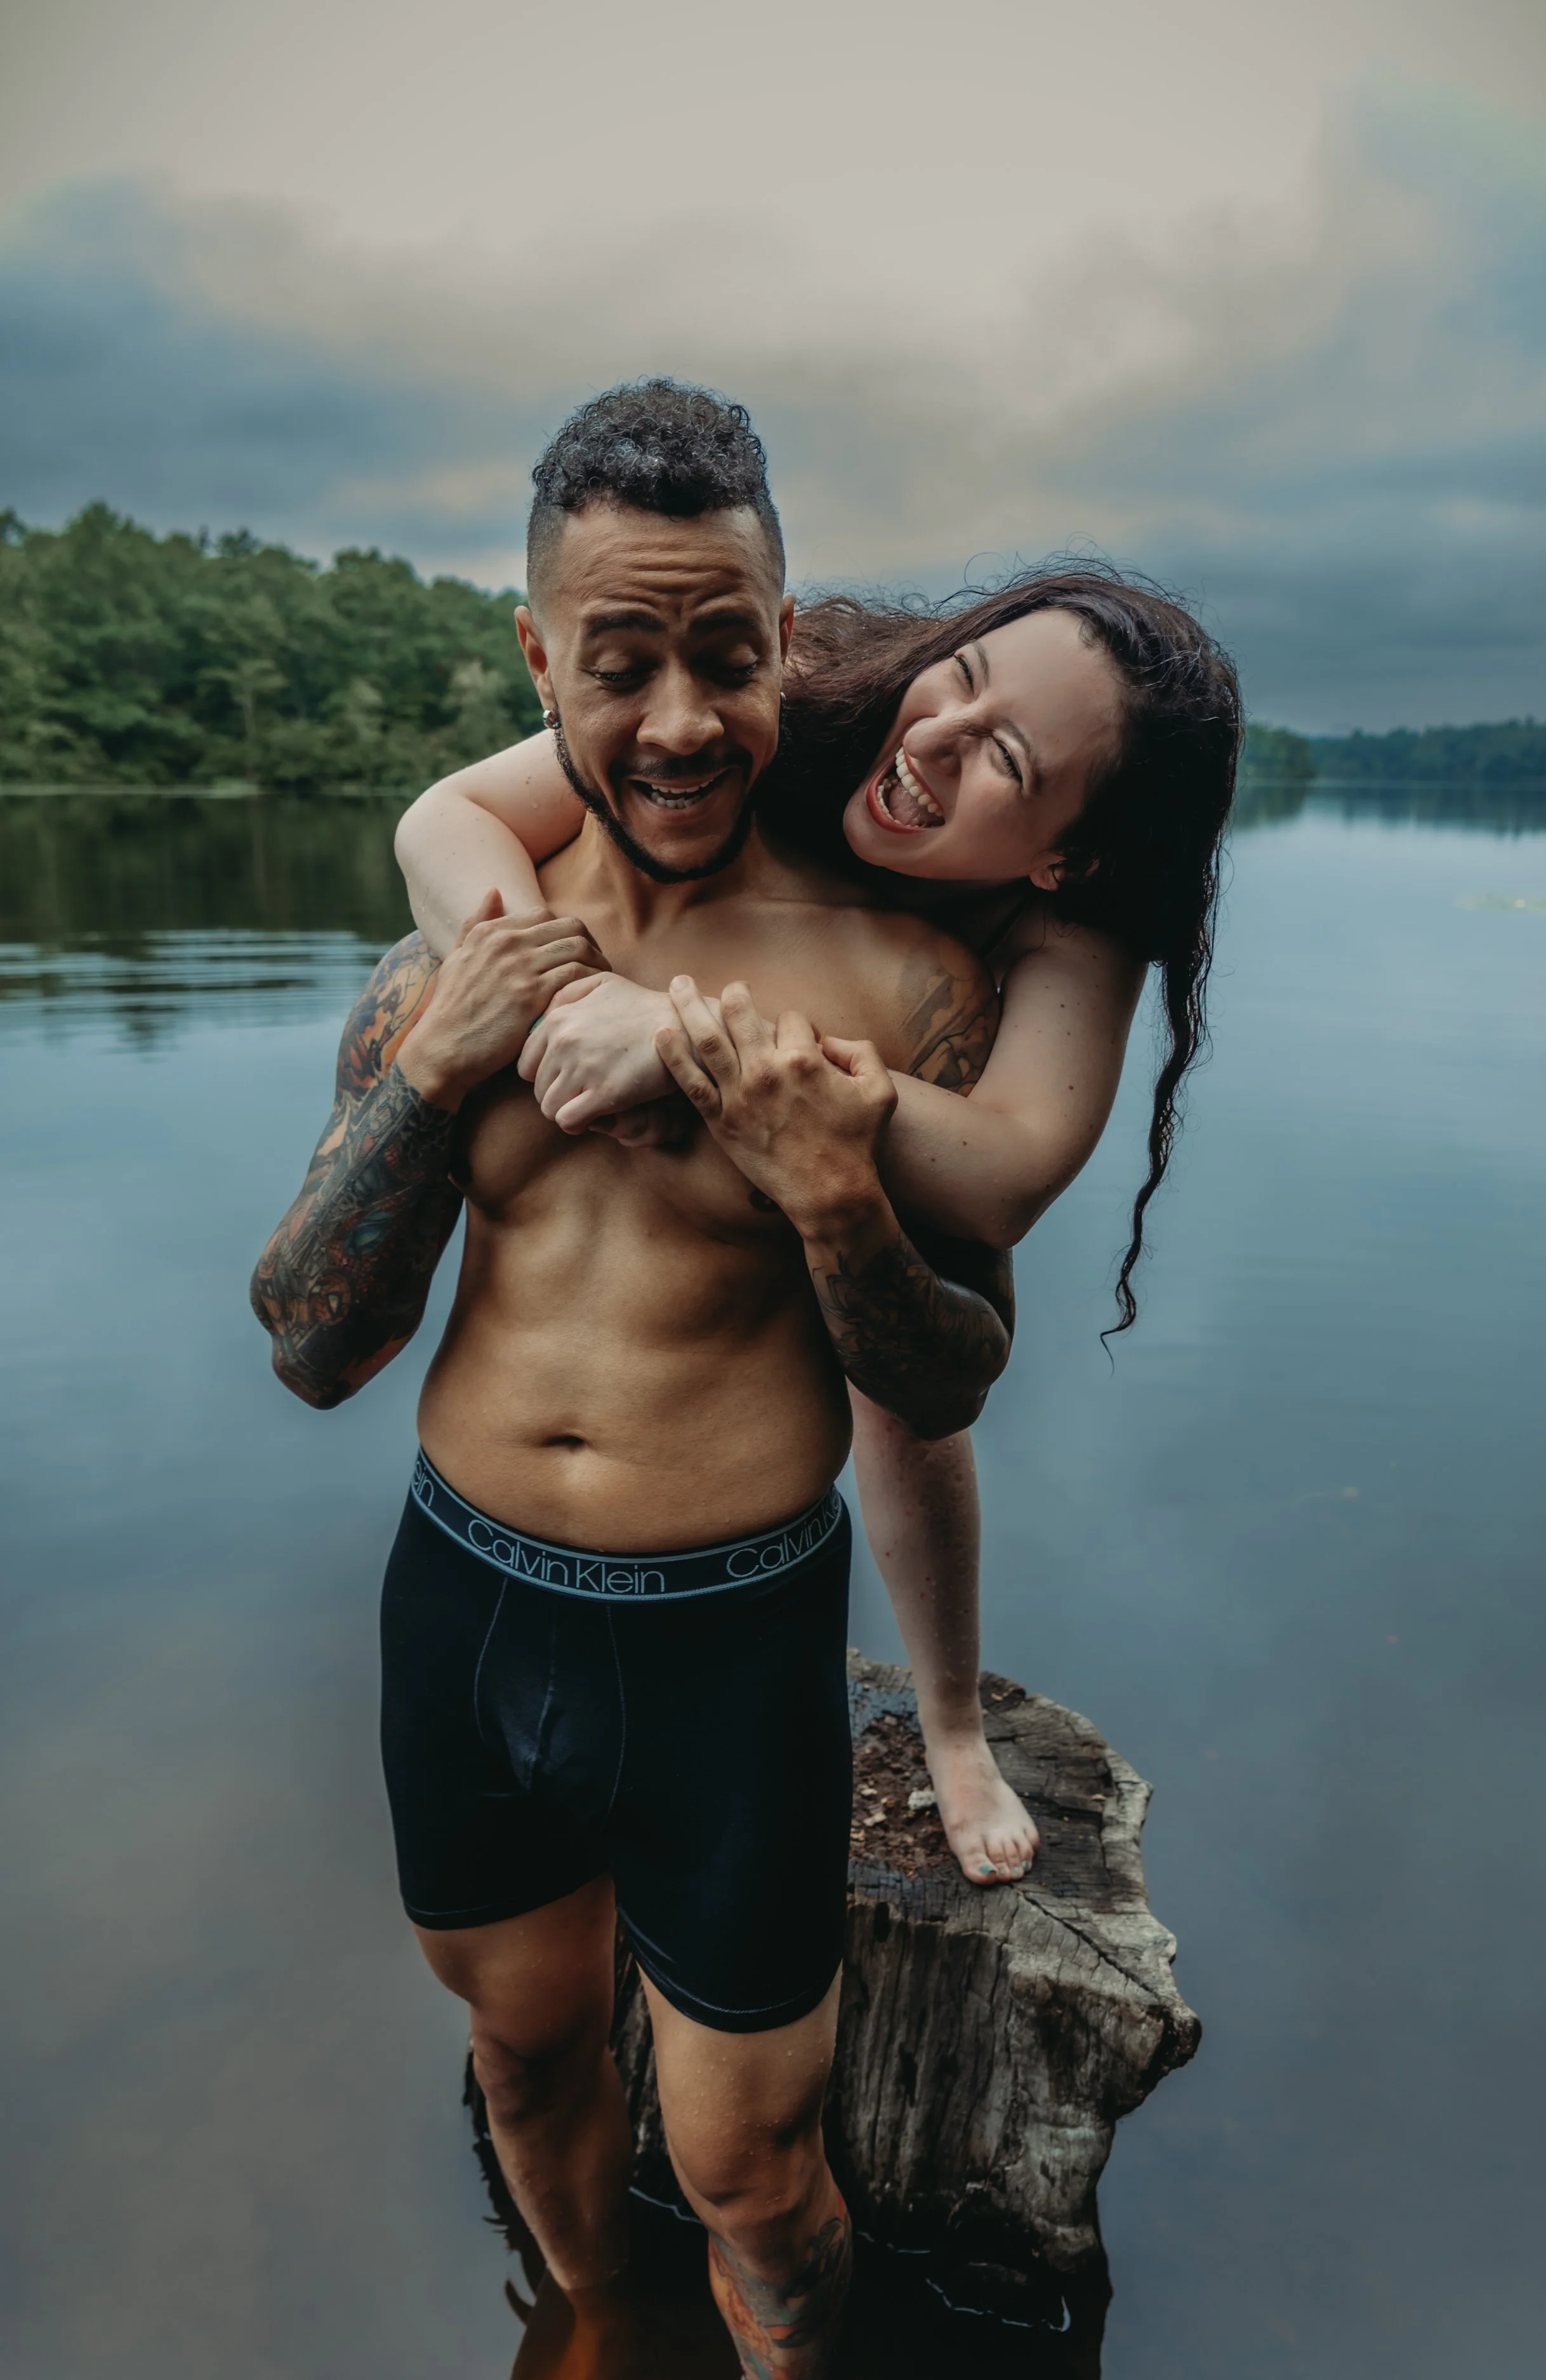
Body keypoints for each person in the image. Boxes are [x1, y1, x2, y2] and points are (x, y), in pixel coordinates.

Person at [250, 380, 1014, 2380]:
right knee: (519, 2050)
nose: (678, 720)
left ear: (785, 634)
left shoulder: (900, 978)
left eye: (722, 651)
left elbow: (953, 1372)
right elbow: (313, 1343)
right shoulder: (452, 954)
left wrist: (833, 1189)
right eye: (619, 662)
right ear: (537, 662)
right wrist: (435, 1070)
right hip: (467, 1599)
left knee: (755, 2169)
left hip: (727, 1639)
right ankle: (590, 2326)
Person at [396, 536, 1243, 1889]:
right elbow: (440, 819)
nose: (938, 741)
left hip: (878, 1104)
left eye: (1004, 765)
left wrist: (685, 1045)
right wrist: (562, 1007)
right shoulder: (808, 713)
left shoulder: (1078, 925)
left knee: (907, 1390)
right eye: (956, 681)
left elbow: (1012, 1168)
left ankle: (952, 1725)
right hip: (727, 1056)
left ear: (1065, 857)